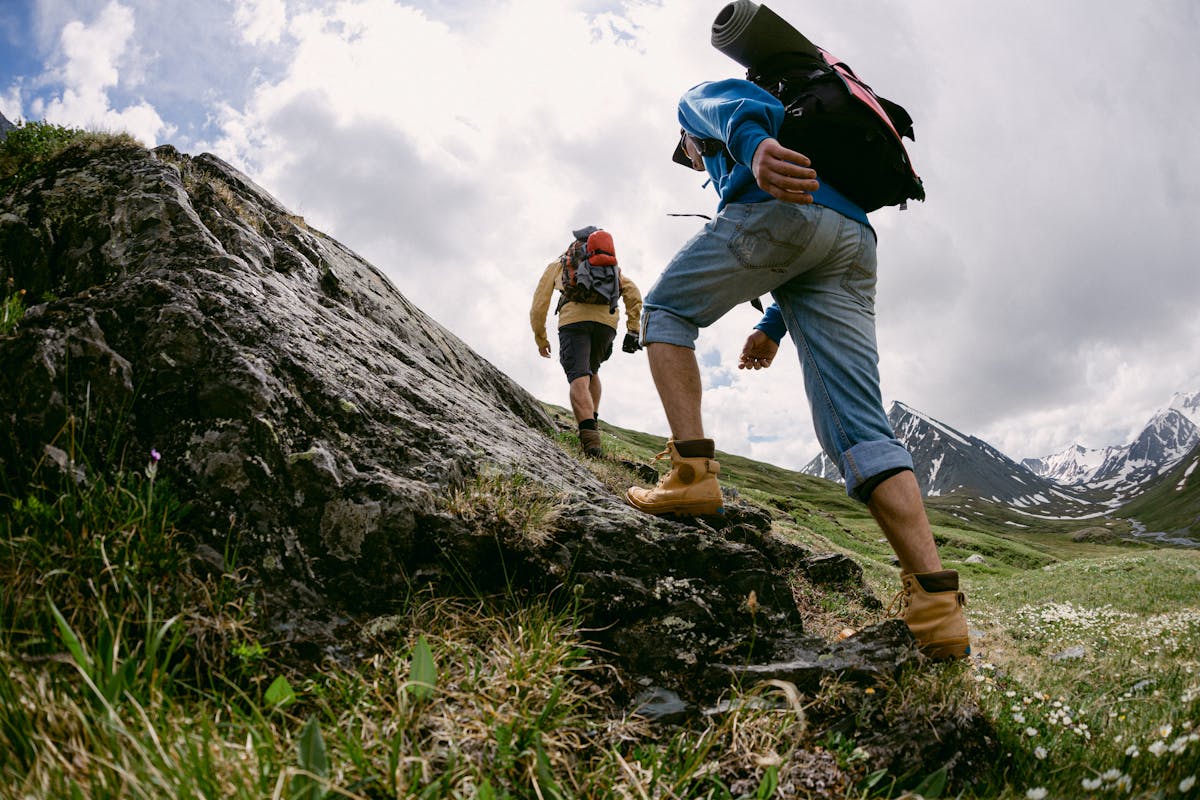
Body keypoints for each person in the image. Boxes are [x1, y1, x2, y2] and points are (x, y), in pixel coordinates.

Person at [625, 35, 969, 659]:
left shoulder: (700, 109)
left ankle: (691, 475)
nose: (694, 164)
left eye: (689, 159)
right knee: (861, 429)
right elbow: (814, 247)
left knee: (666, 310)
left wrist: (753, 153)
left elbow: (725, 108)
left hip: (780, 209)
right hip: (851, 239)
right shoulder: (822, 141)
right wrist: (773, 326)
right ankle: (936, 607)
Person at [530, 227, 643, 458]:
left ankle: (591, 443)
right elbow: (633, 293)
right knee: (592, 371)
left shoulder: (561, 264)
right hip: (606, 324)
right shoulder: (611, 268)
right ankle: (592, 422)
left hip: (574, 322)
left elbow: (539, 303)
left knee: (578, 377)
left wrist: (540, 336)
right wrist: (633, 328)